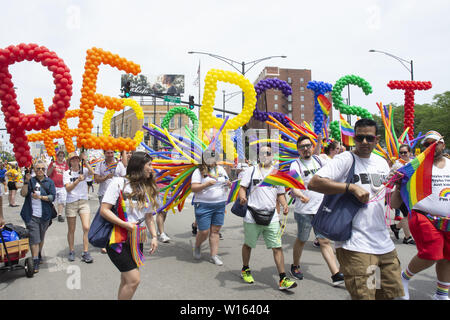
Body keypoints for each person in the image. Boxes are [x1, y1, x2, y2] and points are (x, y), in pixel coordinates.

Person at [308, 118, 404, 300]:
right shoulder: (345, 159)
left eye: (369, 138)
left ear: (377, 139)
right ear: (354, 139)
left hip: (384, 245)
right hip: (355, 245)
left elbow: (393, 204)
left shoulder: (382, 163)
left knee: (387, 295)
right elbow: (314, 183)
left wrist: (399, 187)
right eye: (359, 138)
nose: (364, 142)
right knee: (365, 296)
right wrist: (350, 187)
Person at [391, 131, 450, 300]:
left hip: (447, 221)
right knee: (431, 254)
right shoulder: (414, 168)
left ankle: (441, 294)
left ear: (443, 144)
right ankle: (403, 278)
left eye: (435, 142)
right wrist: (397, 184)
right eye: (427, 144)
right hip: (424, 217)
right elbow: (395, 204)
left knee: (447, 257)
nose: (432, 146)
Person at [100, 152, 158, 300]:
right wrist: (125, 224)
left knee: (126, 279)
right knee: (134, 279)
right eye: (149, 165)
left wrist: (155, 237)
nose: (152, 168)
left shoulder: (147, 187)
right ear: (139, 165)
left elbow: (149, 216)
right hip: (116, 238)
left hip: (136, 238)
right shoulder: (119, 182)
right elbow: (104, 210)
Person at [238, 145, 297, 290]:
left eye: (268, 153)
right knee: (248, 244)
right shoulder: (251, 171)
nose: (265, 155)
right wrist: (242, 197)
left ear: (272, 156)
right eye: (262, 153)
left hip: (272, 216)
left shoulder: (277, 174)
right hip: (252, 215)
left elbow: (280, 193)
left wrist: (284, 205)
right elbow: (242, 187)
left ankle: (283, 278)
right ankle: (245, 268)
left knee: (277, 247)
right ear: (258, 156)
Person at [289, 135, 345, 286]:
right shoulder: (295, 165)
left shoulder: (320, 160)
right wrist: (300, 195)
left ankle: (335, 274)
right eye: (302, 147)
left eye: (308, 146)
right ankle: (295, 265)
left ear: (312, 147)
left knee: (324, 241)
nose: (306, 149)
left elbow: (337, 168)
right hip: (304, 211)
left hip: (321, 208)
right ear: (298, 150)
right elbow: (294, 185)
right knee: (302, 239)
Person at [191, 148, 231, 266]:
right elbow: (194, 188)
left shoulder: (220, 169)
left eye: (214, 158)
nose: (213, 161)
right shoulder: (198, 172)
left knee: (215, 231)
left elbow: (226, 182)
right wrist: (205, 184)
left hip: (219, 204)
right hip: (203, 205)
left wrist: (228, 184)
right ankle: (197, 246)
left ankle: (214, 255)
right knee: (204, 231)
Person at [20, 160, 56, 273]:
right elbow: (23, 194)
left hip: (45, 215)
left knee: (40, 237)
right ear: (34, 170)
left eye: (42, 169)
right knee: (34, 238)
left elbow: (52, 197)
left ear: (45, 170)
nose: (40, 170)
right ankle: (35, 260)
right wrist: (26, 182)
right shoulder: (30, 181)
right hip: (31, 215)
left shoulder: (49, 182)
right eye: (38, 169)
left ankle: (38, 253)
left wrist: (40, 197)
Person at [64, 151, 95, 263]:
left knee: (86, 227)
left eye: (77, 158)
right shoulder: (67, 173)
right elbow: (68, 189)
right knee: (71, 229)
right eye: (73, 159)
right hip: (71, 202)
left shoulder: (84, 170)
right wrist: (77, 181)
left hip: (83, 202)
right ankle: (71, 250)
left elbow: (92, 173)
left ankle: (85, 252)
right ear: (70, 162)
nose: (75, 161)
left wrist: (85, 161)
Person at [389, 144, 415, 245]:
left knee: (410, 215)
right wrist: (394, 177)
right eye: (401, 153)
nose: (403, 154)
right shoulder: (397, 165)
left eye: (405, 152)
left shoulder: (414, 163)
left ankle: (396, 227)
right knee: (406, 214)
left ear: (410, 153)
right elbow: (388, 179)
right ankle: (407, 237)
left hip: (411, 193)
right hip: (400, 193)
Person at [47, 150, 68, 222]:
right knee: (51, 200)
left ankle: (59, 215)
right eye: (59, 156)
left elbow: (68, 174)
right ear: (57, 156)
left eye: (62, 156)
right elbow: (48, 174)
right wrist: (52, 167)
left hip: (62, 186)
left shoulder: (66, 165)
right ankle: (51, 213)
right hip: (53, 185)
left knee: (61, 201)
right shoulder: (53, 163)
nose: (61, 157)